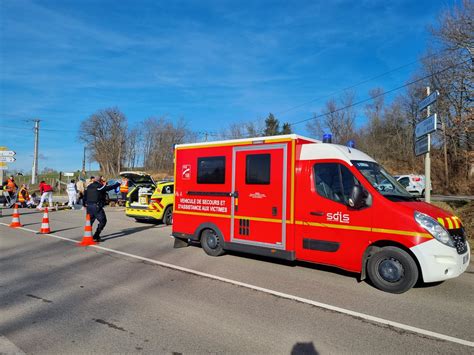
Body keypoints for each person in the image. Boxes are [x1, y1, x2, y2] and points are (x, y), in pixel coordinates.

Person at [83, 176, 120, 242]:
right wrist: (117, 184)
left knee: (89, 222)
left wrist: (84, 204)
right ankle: (96, 235)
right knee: (103, 221)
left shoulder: (89, 186)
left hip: (89, 207)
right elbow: (108, 188)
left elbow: (84, 196)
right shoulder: (99, 186)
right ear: (100, 180)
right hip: (96, 207)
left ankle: (88, 236)